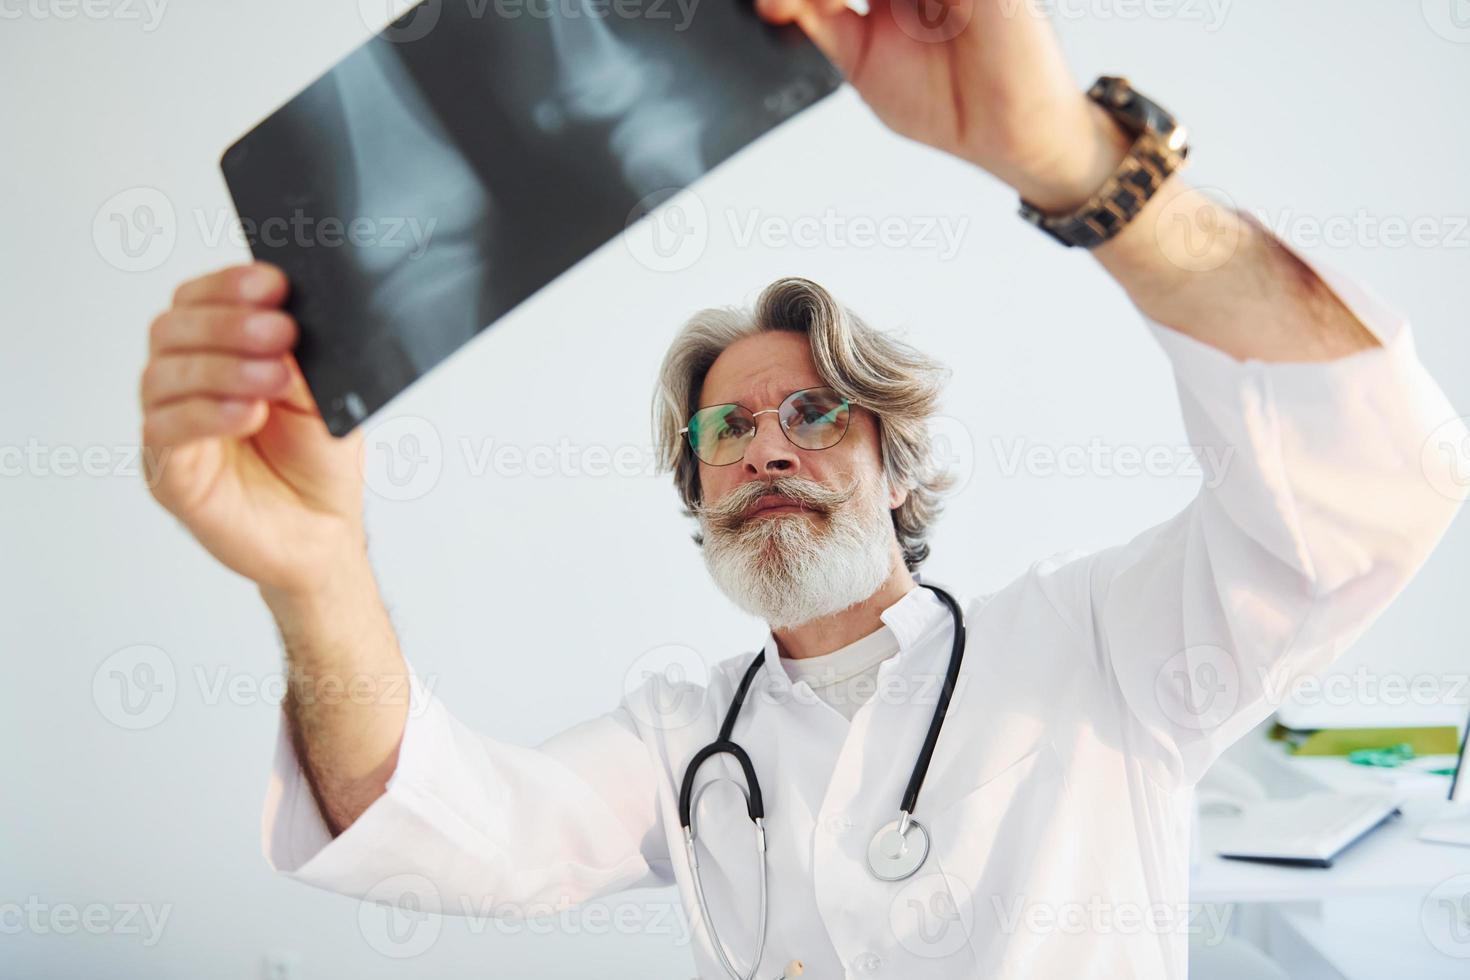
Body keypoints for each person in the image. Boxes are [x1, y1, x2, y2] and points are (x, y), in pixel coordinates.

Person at [138, 1, 1466, 976]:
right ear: (695, 492)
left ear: (891, 468)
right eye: (724, 430)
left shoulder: (1101, 647)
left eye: (814, 413)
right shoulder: (683, 736)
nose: (764, 447)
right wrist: (315, 576)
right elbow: (442, 829)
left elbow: (1363, 487)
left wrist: (1073, 163)